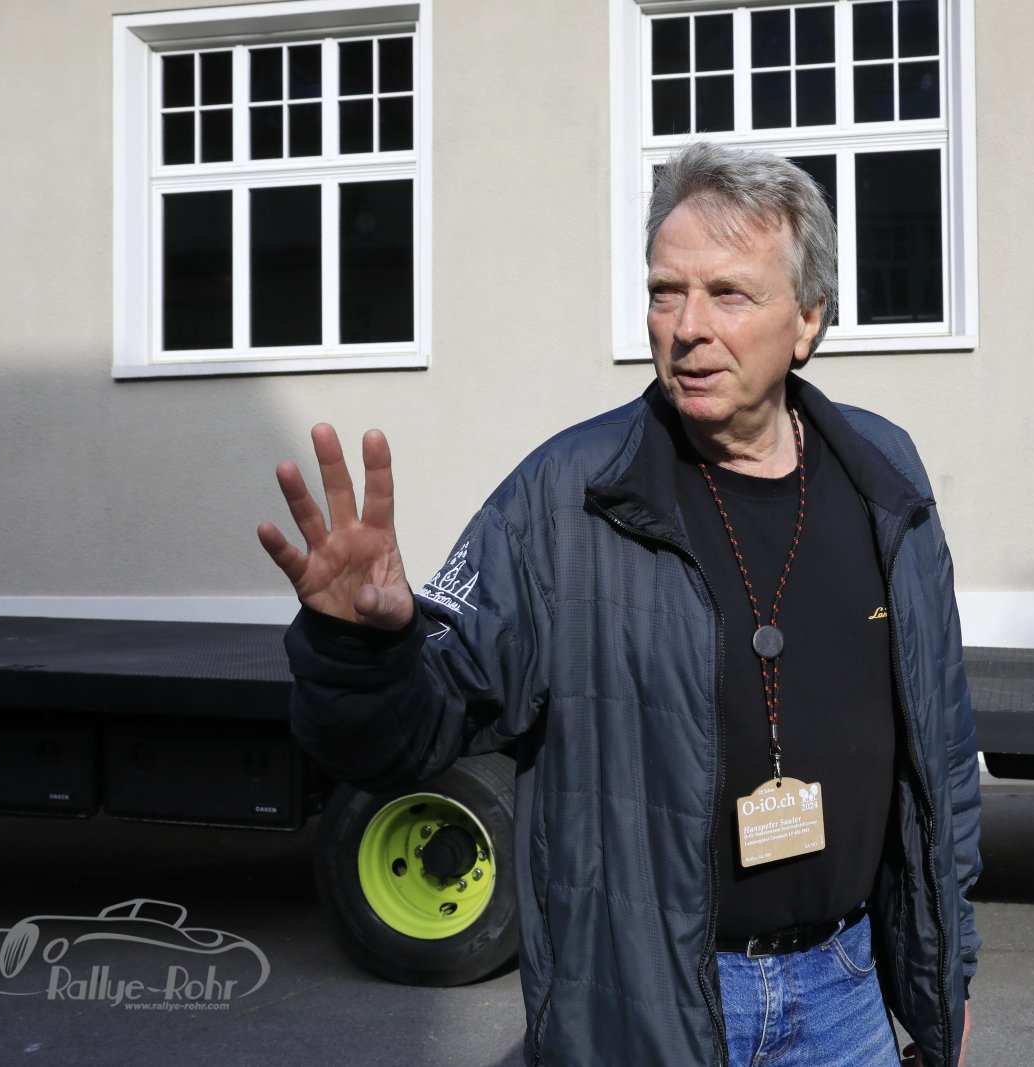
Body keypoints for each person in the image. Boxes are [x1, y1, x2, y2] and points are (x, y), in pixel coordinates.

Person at [259, 141, 980, 1067]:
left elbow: (943, 757)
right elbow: (407, 736)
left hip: (846, 994)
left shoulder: (886, 478)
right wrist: (361, 649)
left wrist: (948, 975)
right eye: (664, 292)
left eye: (729, 294)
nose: (687, 327)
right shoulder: (565, 497)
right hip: (646, 1011)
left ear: (807, 319)